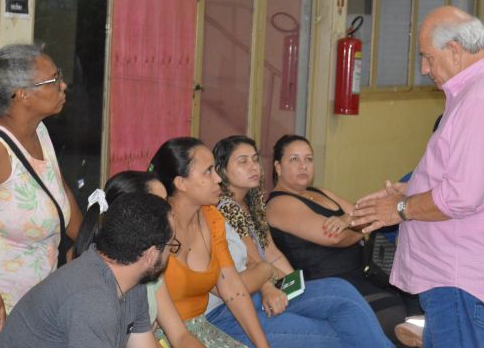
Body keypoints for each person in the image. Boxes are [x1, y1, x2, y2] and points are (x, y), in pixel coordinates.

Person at [351, 5, 484, 347]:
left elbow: (461, 196)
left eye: (427, 57)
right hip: (460, 275)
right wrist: (411, 187)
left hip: (460, 278)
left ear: (454, 50)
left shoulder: (481, 100)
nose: (424, 68)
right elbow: (470, 173)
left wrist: (400, 208)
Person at [208, 135, 393, 347]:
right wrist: (270, 288)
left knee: (342, 295)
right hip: (243, 301)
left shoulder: (253, 205)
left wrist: (297, 288)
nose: (253, 167)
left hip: (263, 288)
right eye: (243, 161)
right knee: (341, 325)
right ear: (221, 170)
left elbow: (272, 254)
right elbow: (254, 262)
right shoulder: (225, 207)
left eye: (255, 159)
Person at [265, 134, 407, 344]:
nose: (303, 166)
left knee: (411, 304)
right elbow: (335, 238)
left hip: (361, 276)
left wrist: (348, 219)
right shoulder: (278, 204)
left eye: (309, 159)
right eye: (294, 159)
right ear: (278, 167)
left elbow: (364, 213)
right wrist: (360, 226)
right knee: (393, 316)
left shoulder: (318, 191)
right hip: (328, 285)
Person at [0, 192, 174, 347]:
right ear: (150, 255)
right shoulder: (92, 299)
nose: (171, 252)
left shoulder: (133, 284)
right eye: (170, 245)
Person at [0, 44, 82, 331]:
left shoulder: (39, 131)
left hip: (38, 304)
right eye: (53, 80)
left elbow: (60, 197)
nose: (63, 85)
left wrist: (98, 243)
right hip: (0, 312)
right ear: (22, 94)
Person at [149, 137, 269, 348]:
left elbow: (232, 287)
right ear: (181, 183)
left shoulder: (212, 217)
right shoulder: (154, 227)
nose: (218, 179)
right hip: (158, 336)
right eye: (208, 171)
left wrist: (262, 345)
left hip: (200, 329)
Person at [73, 170, 207, 348]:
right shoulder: (97, 280)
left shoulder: (148, 265)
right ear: (132, 214)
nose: (169, 210)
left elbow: (180, 335)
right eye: (160, 203)